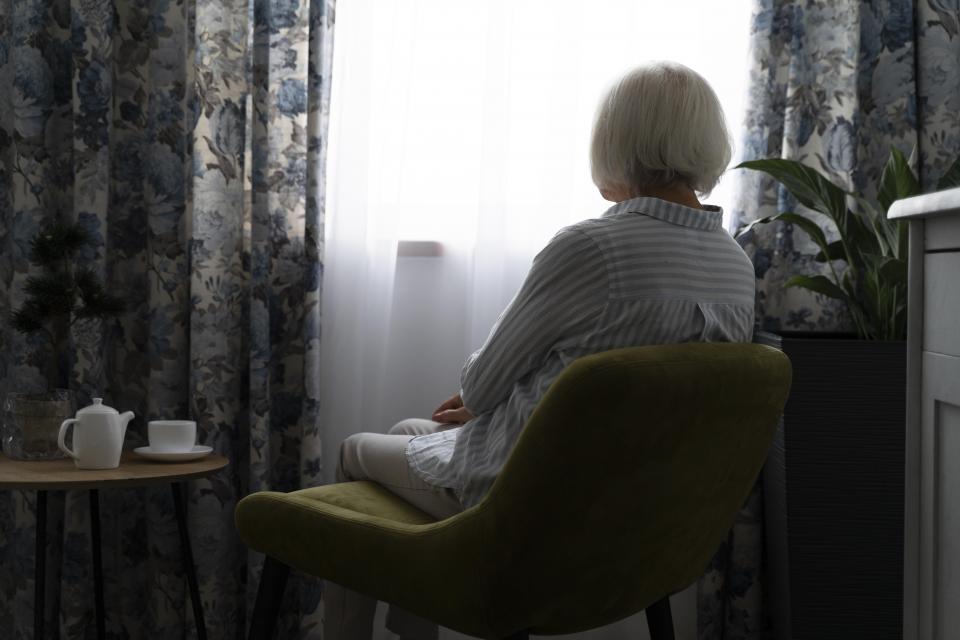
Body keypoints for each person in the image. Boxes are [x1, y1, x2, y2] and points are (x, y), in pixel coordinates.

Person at [323, 60, 756, 640]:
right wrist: (488, 409)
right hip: (645, 519)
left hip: (537, 505)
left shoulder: (592, 247)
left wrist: (482, 400)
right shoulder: (737, 267)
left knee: (354, 451)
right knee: (410, 431)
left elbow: (481, 386)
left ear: (615, 140)